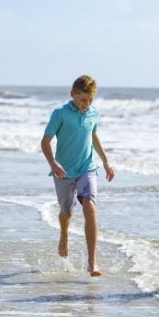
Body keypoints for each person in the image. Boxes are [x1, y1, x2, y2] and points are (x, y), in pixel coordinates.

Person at [41, 75, 115, 277]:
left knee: (90, 206)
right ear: (72, 94)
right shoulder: (60, 114)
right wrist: (53, 163)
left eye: (90, 100)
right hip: (63, 171)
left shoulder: (93, 113)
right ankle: (64, 234)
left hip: (87, 167)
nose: (87, 104)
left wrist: (106, 161)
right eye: (83, 99)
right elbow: (45, 142)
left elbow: (93, 135)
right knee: (66, 213)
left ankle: (92, 262)